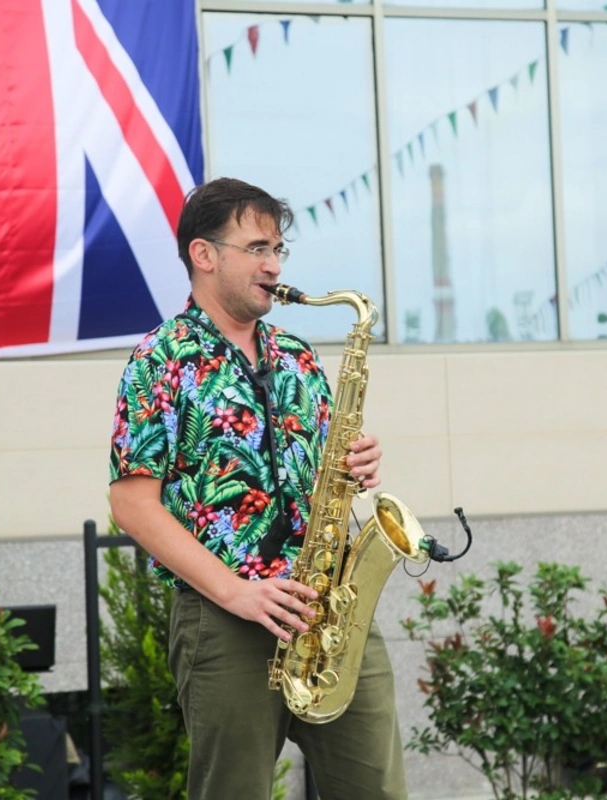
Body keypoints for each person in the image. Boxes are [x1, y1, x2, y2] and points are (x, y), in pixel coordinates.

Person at [108, 177, 406, 799]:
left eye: (278, 250)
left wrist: (356, 463)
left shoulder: (298, 356)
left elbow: (323, 474)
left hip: (330, 609)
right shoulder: (160, 360)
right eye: (258, 248)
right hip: (227, 619)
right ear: (204, 254)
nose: (274, 266)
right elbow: (131, 503)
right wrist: (237, 593)